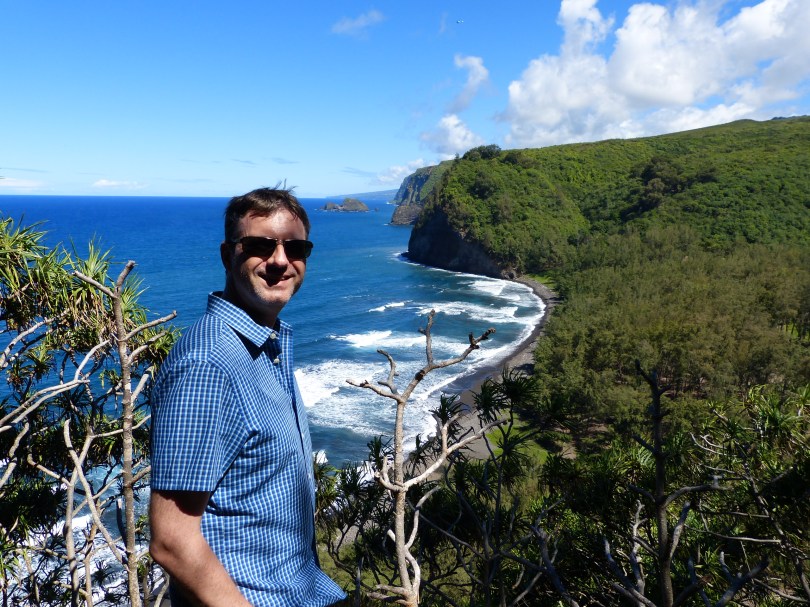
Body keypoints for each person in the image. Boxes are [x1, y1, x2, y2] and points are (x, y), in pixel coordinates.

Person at [149, 187, 345, 607]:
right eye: (259, 245)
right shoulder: (209, 364)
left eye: (295, 247)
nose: (279, 260)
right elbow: (171, 539)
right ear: (227, 255)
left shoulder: (262, 349)